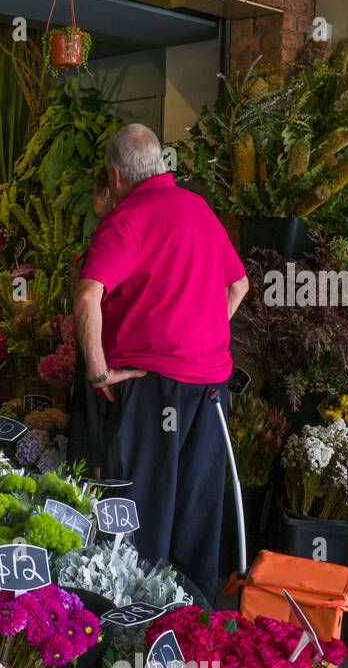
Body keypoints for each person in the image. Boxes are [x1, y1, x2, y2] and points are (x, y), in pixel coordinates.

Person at [73, 124, 249, 604]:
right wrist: (199, 333)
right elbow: (239, 287)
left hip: (151, 385)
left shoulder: (128, 218)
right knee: (198, 507)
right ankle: (195, 622)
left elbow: (88, 295)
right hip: (211, 387)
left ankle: (130, 621)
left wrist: (97, 371)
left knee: (139, 508)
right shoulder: (199, 209)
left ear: (114, 175)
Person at [66, 169, 116, 476]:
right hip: (102, 342)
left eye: (93, 193)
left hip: (102, 344)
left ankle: (93, 484)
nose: (91, 200)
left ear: (107, 192)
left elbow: (87, 297)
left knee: (95, 416)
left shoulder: (115, 232)